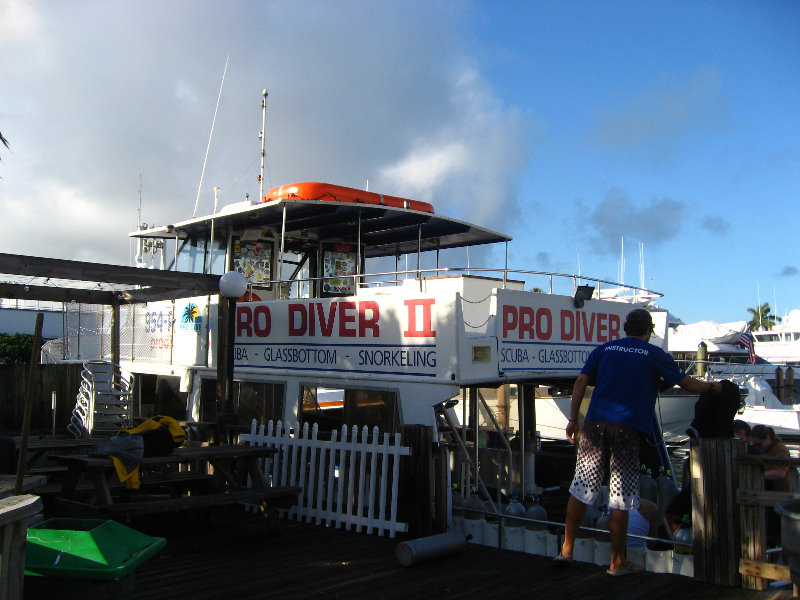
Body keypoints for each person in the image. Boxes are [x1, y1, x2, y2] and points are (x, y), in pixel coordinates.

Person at [555, 308, 722, 576]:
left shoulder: (605, 350)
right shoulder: (654, 354)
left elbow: (581, 381)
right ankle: (617, 562)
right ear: (649, 330)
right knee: (620, 496)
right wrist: (715, 388)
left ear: (625, 328)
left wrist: (573, 418)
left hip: (594, 426)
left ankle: (566, 550)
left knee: (581, 488)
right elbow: (688, 385)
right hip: (627, 430)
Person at [750, 425, 790, 491]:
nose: (757, 447)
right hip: (763, 488)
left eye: (759, 444)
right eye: (754, 445)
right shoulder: (762, 450)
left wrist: (755, 476)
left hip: (778, 490)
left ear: (768, 438)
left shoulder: (780, 449)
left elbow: (780, 473)